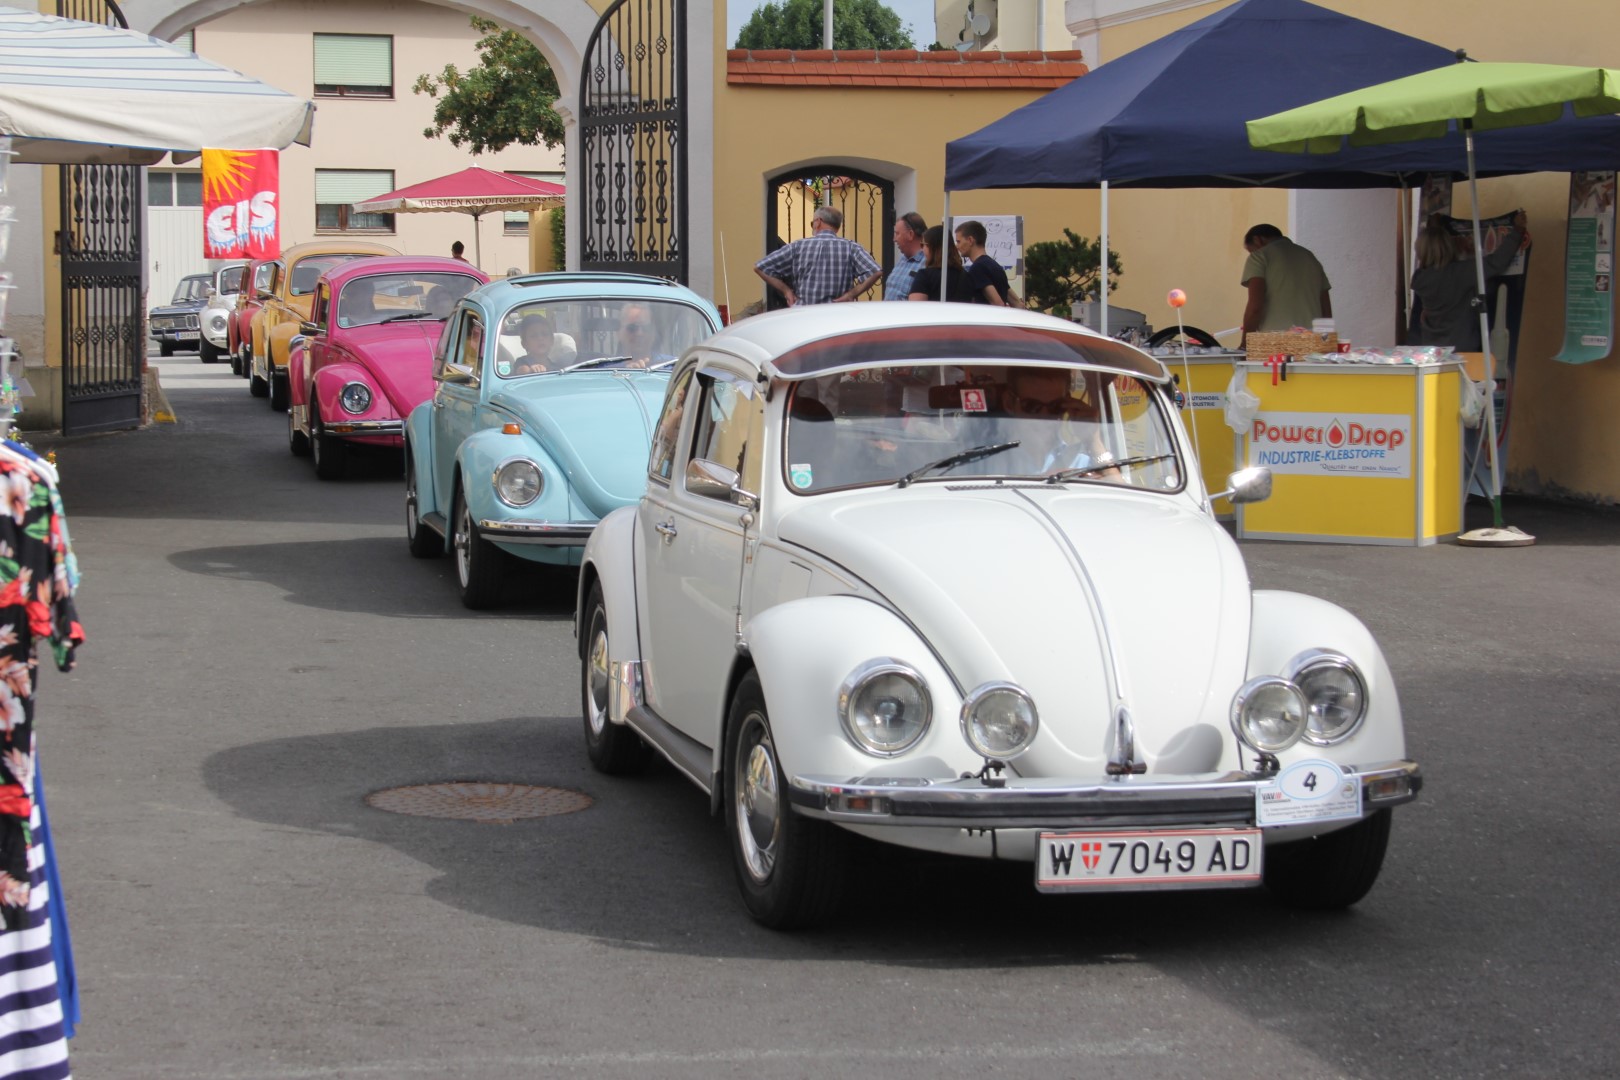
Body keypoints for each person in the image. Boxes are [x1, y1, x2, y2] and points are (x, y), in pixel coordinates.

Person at [1410, 211, 1528, 350]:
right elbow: (1497, 262)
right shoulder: (1461, 272)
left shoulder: (1419, 278)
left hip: (1432, 348)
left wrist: (1435, 226)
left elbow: (1432, 248)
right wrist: (1517, 232)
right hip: (1462, 346)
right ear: (1447, 247)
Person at [754, 206, 883, 307]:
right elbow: (875, 272)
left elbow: (760, 267)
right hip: (838, 314)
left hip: (804, 313)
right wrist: (851, 294)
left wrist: (787, 291)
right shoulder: (851, 248)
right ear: (837, 227)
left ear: (818, 222)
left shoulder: (797, 247)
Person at [1239, 224, 1332, 340]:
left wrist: (1245, 343)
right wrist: (1326, 340)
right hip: (1312, 340)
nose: (1252, 254)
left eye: (1251, 250)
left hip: (1276, 341)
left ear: (1257, 240)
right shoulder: (1309, 257)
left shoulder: (1260, 256)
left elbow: (1255, 307)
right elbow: (1325, 306)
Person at [955, 220, 1018, 306]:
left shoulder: (978, 268)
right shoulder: (995, 266)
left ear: (970, 240)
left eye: (959, 241)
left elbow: (998, 304)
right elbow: (1017, 303)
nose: (957, 246)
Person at [908, 225, 972, 303]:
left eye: (923, 245)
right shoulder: (966, 276)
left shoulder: (924, 276)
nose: (922, 249)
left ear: (931, 247)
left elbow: (915, 308)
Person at [883, 212, 928, 301]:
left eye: (897, 234)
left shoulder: (926, 263)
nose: (894, 239)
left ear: (910, 235)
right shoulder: (902, 260)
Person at [614, 303, 675, 368]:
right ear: (619, 332)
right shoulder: (608, 368)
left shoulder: (673, 366)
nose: (639, 333)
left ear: (653, 333)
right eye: (632, 328)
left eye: (646, 328)